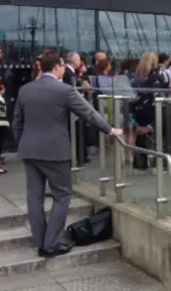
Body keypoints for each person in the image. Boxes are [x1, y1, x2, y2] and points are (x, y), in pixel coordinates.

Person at [13, 50, 122, 257]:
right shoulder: (64, 90)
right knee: (62, 195)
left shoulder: (25, 90)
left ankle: (40, 241)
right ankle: (51, 244)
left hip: (29, 150)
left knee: (34, 197)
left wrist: (23, 144)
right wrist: (110, 130)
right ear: (56, 67)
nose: (64, 69)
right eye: (62, 66)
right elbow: (88, 113)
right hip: (55, 151)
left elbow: (17, 123)